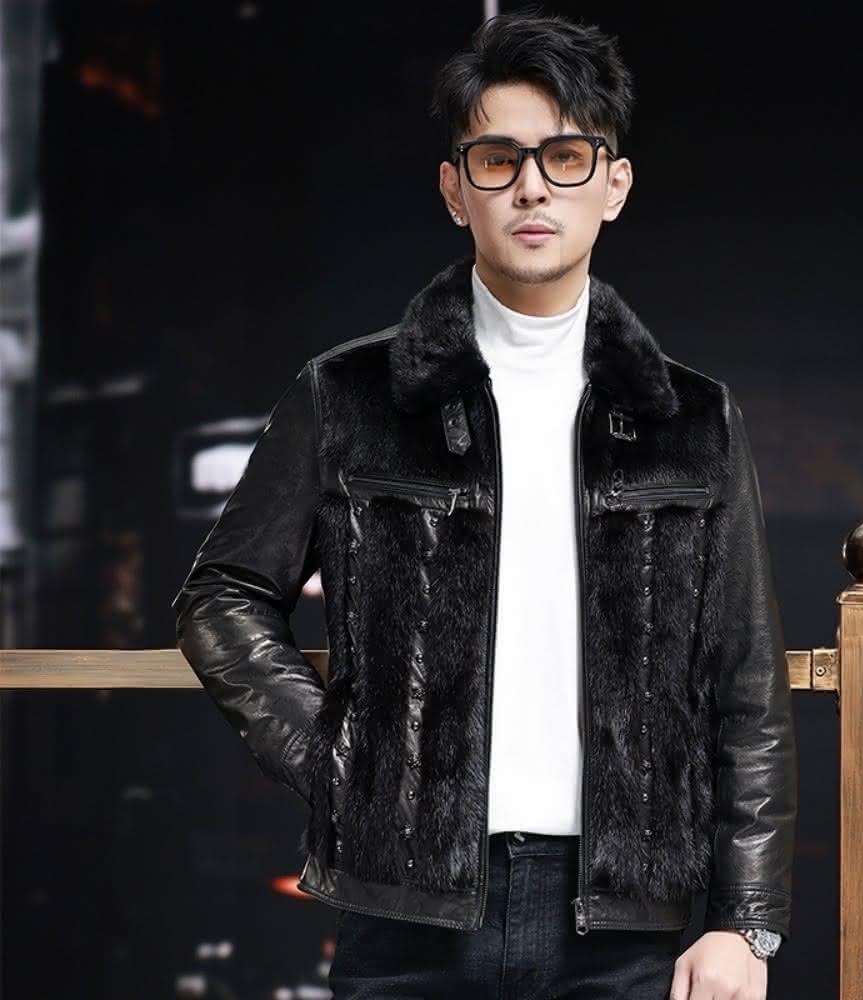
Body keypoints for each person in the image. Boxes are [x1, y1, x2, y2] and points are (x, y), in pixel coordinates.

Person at [172, 9, 796, 999]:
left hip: (622, 921)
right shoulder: (350, 397)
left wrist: (743, 922)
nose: (533, 186)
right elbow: (222, 596)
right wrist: (338, 759)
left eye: (565, 157)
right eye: (499, 160)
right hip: (403, 916)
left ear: (614, 185)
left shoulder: (690, 418)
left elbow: (746, 687)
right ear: (455, 190)